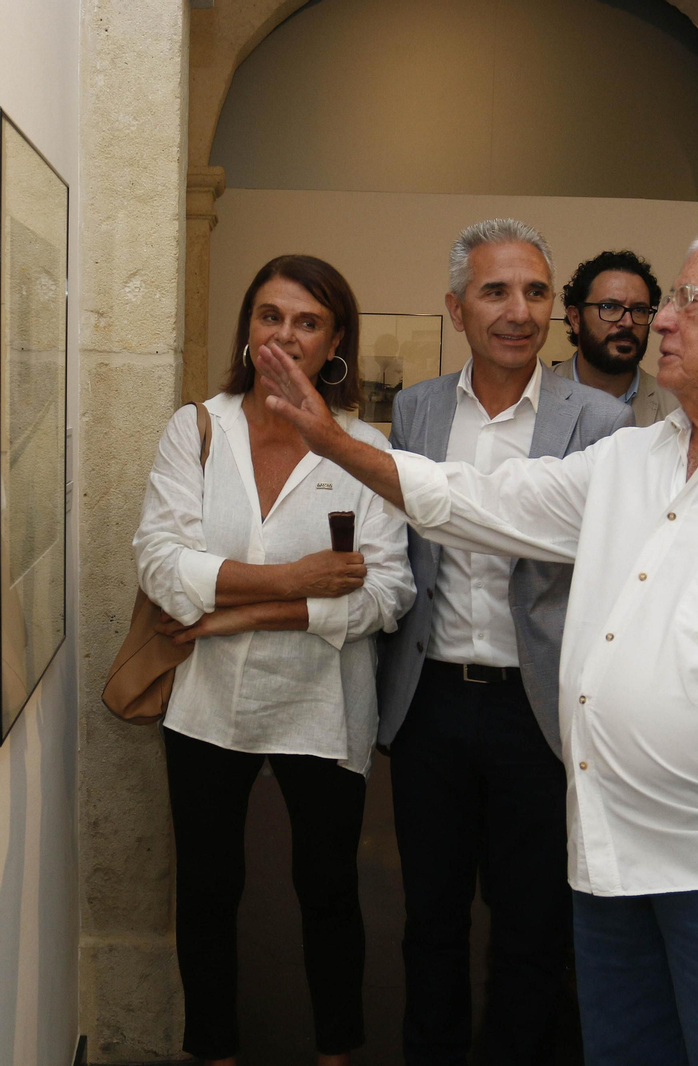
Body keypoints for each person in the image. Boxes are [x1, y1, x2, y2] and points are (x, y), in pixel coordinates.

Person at [254, 222, 698, 1066]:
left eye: (693, 299)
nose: (659, 318)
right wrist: (334, 442)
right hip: (612, 866)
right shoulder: (633, 459)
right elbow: (474, 500)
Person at [133, 254, 415, 1066]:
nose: (283, 335)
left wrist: (238, 614)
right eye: (269, 316)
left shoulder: (364, 449)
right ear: (247, 329)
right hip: (204, 705)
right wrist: (294, 581)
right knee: (209, 893)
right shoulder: (197, 430)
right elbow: (159, 563)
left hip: (322, 709)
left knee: (329, 893)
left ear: (336, 344)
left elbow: (388, 593)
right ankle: (212, 1053)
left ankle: (337, 1054)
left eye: (306, 321)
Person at [376, 219, 632, 1065]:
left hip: (541, 710)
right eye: (495, 291)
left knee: (533, 924)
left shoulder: (600, 420)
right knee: (431, 919)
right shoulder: (415, 408)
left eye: (534, 292)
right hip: (432, 703)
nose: (517, 311)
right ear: (456, 308)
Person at [552, 250, 680, 427]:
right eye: (610, 307)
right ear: (576, 318)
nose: (627, 322)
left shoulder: (677, 409)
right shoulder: (537, 396)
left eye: (640, 310)